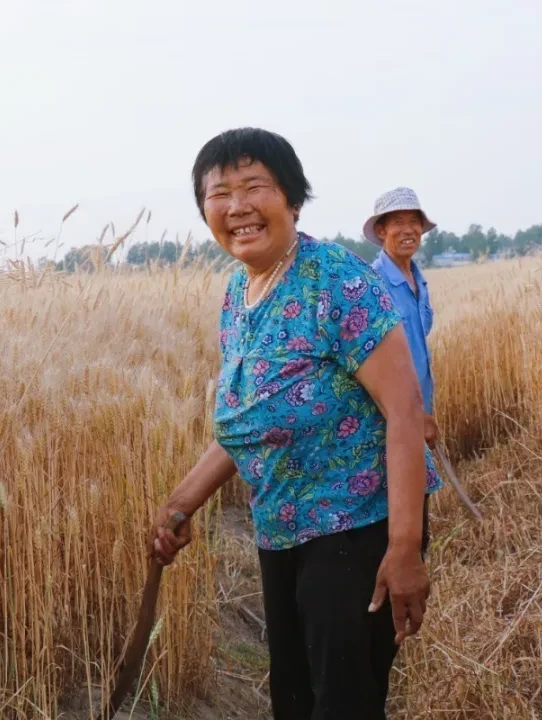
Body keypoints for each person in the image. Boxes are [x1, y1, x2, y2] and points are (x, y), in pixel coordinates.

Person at [149, 127, 442, 720]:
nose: (237, 207)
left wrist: (405, 548)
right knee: (294, 698)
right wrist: (181, 502)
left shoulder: (335, 280)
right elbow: (255, 420)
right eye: (219, 193)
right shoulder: (240, 293)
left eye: (255, 186)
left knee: (344, 704)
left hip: (356, 530)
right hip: (280, 529)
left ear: (292, 200)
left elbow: (406, 415)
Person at [364, 187, 439, 450]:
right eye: (398, 222)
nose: (409, 230)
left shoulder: (419, 281)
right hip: (389, 420)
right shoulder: (373, 285)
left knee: (421, 488)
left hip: (421, 410)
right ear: (382, 231)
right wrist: (411, 416)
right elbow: (377, 365)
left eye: (414, 222)